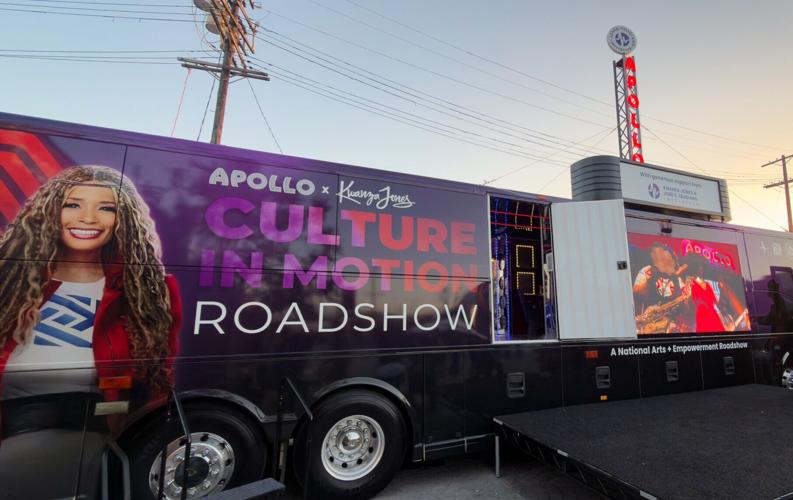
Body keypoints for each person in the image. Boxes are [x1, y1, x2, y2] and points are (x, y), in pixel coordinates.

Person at [0, 165, 182, 427]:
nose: (88, 218)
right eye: (73, 205)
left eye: (106, 208)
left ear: (123, 219)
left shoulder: (150, 291)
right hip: (12, 415)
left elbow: (159, 378)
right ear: (51, 211)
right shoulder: (10, 277)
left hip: (93, 420)